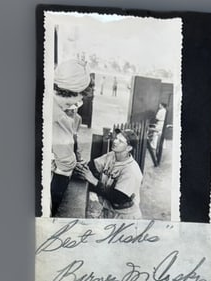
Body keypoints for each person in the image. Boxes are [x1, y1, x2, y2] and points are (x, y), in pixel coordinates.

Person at [50, 58, 91, 216]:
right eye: (81, 97)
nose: (80, 101)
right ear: (74, 92)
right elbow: (66, 162)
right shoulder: (59, 118)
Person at [78, 130, 144, 219]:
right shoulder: (112, 155)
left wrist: (94, 180)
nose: (115, 142)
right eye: (116, 138)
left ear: (129, 148)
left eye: (120, 141)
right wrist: (81, 168)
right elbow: (93, 166)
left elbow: (117, 197)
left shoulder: (131, 170)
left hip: (126, 216)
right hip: (109, 210)